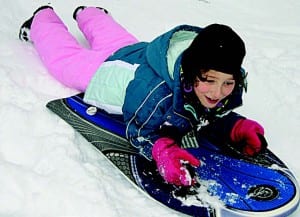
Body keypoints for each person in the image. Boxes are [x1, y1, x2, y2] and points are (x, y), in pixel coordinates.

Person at [19, 5, 265, 187]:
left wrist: (234, 126)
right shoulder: (156, 96)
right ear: (191, 74)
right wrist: (163, 151)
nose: (217, 92)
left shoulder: (218, 82)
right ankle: (41, 20)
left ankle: (90, 12)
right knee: (64, 61)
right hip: (106, 72)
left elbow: (209, 110)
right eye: (209, 80)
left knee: (116, 40)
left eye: (227, 83)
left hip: (140, 54)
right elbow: (138, 131)